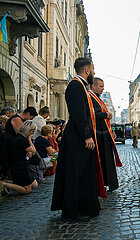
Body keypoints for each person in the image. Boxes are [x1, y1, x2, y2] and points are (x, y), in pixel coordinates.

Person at [52, 57, 105, 220]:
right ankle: (75, 209)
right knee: (77, 173)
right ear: (87, 70)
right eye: (93, 70)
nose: (94, 73)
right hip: (77, 137)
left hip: (77, 135)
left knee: (81, 172)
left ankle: (81, 207)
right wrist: (87, 136)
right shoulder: (76, 86)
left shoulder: (80, 85)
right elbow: (79, 114)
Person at [89, 77, 121, 192]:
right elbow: (92, 114)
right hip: (98, 135)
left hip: (103, 134)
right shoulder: (90, 97)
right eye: (101, 86)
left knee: (106, 159)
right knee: (102, 158)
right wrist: (106, 114)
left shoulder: (97, 98)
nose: (103, 89)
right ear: (94, 86)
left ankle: (107, 182)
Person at [0, 120, 38, 195]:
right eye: (33, 131)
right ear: (29, 130)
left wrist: (29, 152)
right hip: (20, 167)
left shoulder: (19, 137)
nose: (33, 134)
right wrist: (29, 139)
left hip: (21, 164)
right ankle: (4, 184)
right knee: (27, 190)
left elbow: (30, 152)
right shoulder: (22, 140)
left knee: (35, 185)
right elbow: (33, 151)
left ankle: (12, 185)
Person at [0, 107, 38, 179]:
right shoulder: (17, 119)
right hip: (10, 144)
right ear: (27, 114)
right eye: (31, 117)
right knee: (8, 163)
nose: (30, 120)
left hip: (12, 143)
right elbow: (22, 133)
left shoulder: (18, 118)